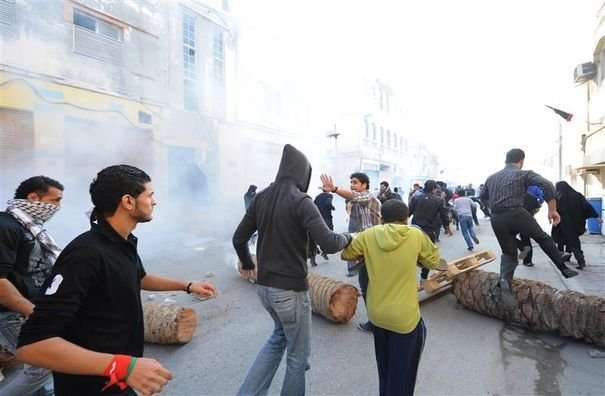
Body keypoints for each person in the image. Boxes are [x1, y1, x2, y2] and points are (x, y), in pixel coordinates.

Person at [16, 165, 217, 396]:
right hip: (90, 388)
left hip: (119, 382)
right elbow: (32, 346)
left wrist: (187, 286)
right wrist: (122, 365)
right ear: (128, 202)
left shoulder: (122, 242)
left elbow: (138, 277)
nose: (155, 201)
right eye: (149, 195)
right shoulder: (86, 254)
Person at [233, 145, 350, 396]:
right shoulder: (301, 201)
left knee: (278, 338)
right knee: (298, 359)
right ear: (303, 174)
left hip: (264, 288)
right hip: (290, 291)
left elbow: (238, 238)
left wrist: (248, 263)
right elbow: (329, 242)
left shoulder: (261, 197)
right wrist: (348, 237)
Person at [341, 200, 440, 396]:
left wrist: (366, 253)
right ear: (406, 218)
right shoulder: (415, 235)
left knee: (384, 365)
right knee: (403, 373)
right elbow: (434, 260)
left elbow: (347, 254)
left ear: (382, 218)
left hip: (377, 315)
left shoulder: (368, 235)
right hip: (405, 319)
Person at [481, 149, 578, 309]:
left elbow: (483, 198)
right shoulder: (524, 174)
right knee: (542, 237)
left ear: (506, 160)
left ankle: (505, 281)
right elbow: (546, 184)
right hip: (516, 213)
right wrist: (552, 209)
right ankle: (563, 268)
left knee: (509, 253)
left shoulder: (491, 178)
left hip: (496, 218)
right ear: (521, 160)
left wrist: (493, 210)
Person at [0, 176, 64, 396]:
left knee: (42, 371)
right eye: (55, 200)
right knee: (42, 366)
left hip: (29, 310)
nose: (57, 207)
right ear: (34, 198)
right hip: (11, 314)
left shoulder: (33, 228)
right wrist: (34, 313)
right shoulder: (6, 226)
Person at [320, 172, 381, 332]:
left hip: (375, 248)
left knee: (369, 284)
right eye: (351, 182)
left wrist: (334, 188)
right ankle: (377, 320)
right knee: (368, 283)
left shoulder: (367, 196)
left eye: (355, 182)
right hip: (369, 247)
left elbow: (353, 196)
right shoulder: (359, 201)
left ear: (364, 185)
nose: (352, 185)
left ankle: (376, 322)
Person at [409, 180, 452, 284]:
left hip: (414, 230)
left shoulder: (416, 198)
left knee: (411, 254)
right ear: (434, 188)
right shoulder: (438, 200)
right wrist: (447, 227)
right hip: (428, 231)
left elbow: (408, 212)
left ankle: (408, 277)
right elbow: (444, 215)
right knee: (429, 255)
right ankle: (423, 278)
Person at [551, 181, 600, 270]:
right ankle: (574, 259)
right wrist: (596, 216)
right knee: (573, 240)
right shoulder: (577, 195)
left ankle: (571, 259)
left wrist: (553, 219)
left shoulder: (558, 197)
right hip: (576, 222)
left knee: (561, 239)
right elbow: (587, 206)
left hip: (562, 223)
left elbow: (554, 210)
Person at [515, 185, 545, 268]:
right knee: (526, 239)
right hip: (528, 220)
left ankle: (523, 253)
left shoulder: (515, 196)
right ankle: (528, 261)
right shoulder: (531, 196)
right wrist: (531, 213)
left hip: (516, 220)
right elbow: (539, 205)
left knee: (509, 237)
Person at [312, 191, 336, 262]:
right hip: (327, 219)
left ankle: (313, 258)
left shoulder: (318, 196)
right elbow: (328, 203)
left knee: (315, 237)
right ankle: (324, 253)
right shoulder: (329, 195)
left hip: (318, 218)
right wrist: (332, 207)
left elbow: (313, 205)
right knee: (328, 236)